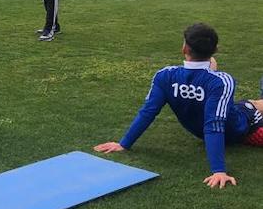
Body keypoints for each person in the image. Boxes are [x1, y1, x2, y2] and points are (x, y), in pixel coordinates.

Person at [94, 23, 263, 189]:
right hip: (245, 126)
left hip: (207, 128)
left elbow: (148, 112)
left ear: (184, 49)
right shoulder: (222, 81)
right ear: (216, 49)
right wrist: (218, 170)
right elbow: (214, 125)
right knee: (253, 104)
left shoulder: (165, 76)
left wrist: (124, 144)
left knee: (216, 79)